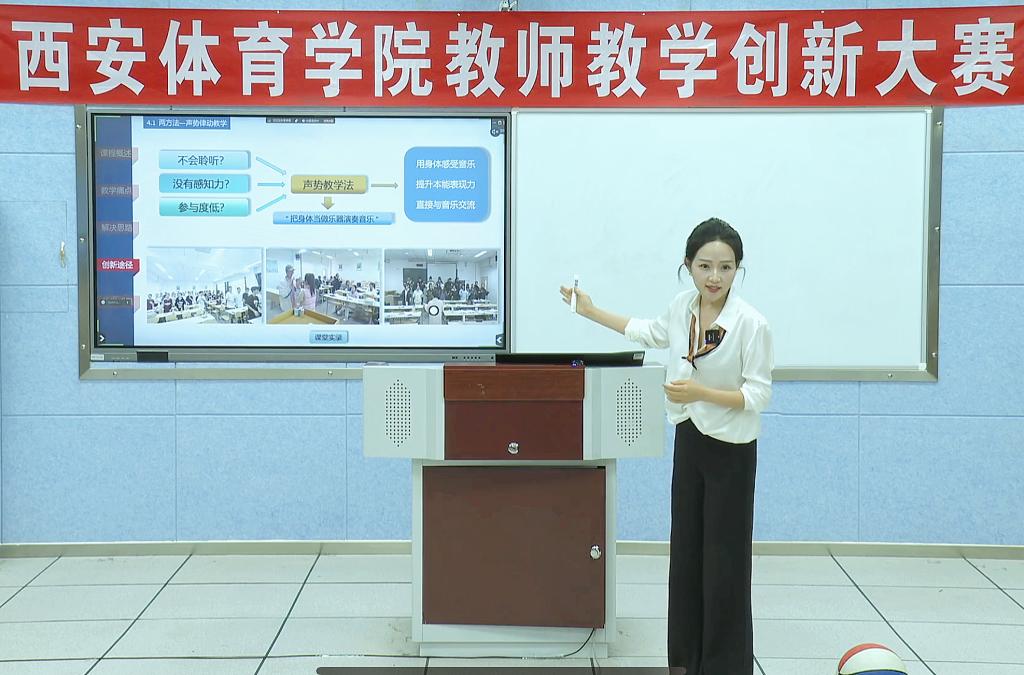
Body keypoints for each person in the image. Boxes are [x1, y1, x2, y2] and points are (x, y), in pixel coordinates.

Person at [560, 217, 773, 675]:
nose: (715, 277)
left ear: (738, 270)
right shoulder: (682, 308)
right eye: (705, 266)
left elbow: (758, 395)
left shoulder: (751, 324)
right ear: (688, 265)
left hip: (732, 451)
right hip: (690, 438)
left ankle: (725, 665)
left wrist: (700, 392)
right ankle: (685, 662)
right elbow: (646, 331)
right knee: (687, 555)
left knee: (726, 561)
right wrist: (589, 311)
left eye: (726, 267)